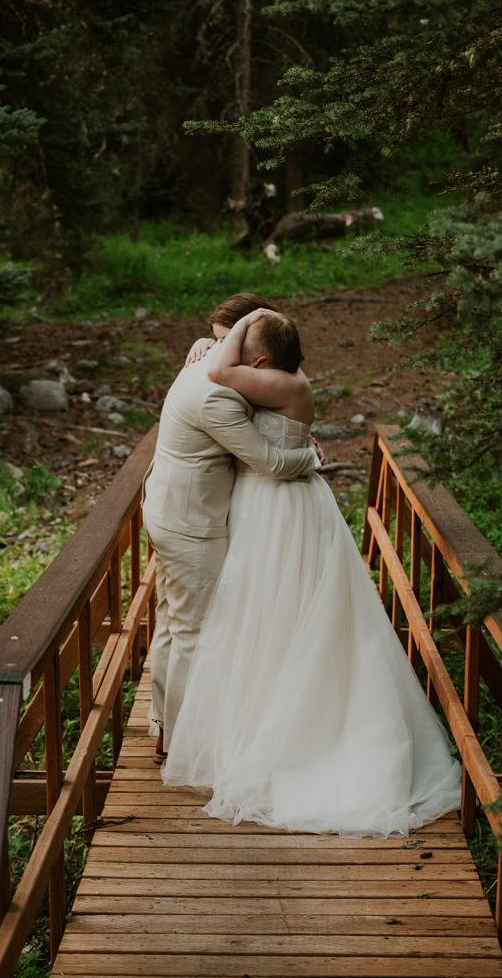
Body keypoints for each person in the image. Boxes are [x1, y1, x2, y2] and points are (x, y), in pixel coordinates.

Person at [162, 307, 462, 837]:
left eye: (233, 341)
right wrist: (204, 339)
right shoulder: (279, 374)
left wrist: (307, 457)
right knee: (264, 609)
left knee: (283, 606)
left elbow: (218, 375)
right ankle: (256, 717)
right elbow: (222, 369)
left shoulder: (282, 381)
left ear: (259, 358)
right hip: (260, 501)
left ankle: (289, 730)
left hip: (280, 499)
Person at [142, 295, 320, 763]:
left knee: (172, 620)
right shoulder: (217, 391)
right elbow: (271, 461)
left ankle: (163, 721)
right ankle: (180, 743)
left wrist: (210, 341)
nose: (217, 348)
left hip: (172, 509)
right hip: (190, 522)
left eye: (224, 340)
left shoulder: (206, 367)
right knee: (192, 631)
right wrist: (313, 456)